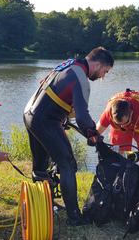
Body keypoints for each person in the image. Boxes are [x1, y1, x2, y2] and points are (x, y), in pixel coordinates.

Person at [23, 47, 114, 226]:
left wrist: (62, 116)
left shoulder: (68, 65)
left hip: (29, 114)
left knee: (41, 167)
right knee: (68, 165)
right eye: (105, 71)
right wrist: (92, 134)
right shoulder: (81, 77)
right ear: (97, 64)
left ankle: (44, 205)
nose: (103, 76)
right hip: (45, 121)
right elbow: (81, 116)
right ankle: (74, 217)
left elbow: (47, 86)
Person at [96, 89, 139, 197]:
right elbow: (96, 131)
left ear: (131, 113)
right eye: (119, 123)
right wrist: (95, 141)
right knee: (118, 157)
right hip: (119, 131)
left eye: (124, 123)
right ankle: (119, 192)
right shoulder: (109, 111)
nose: (123, 126)